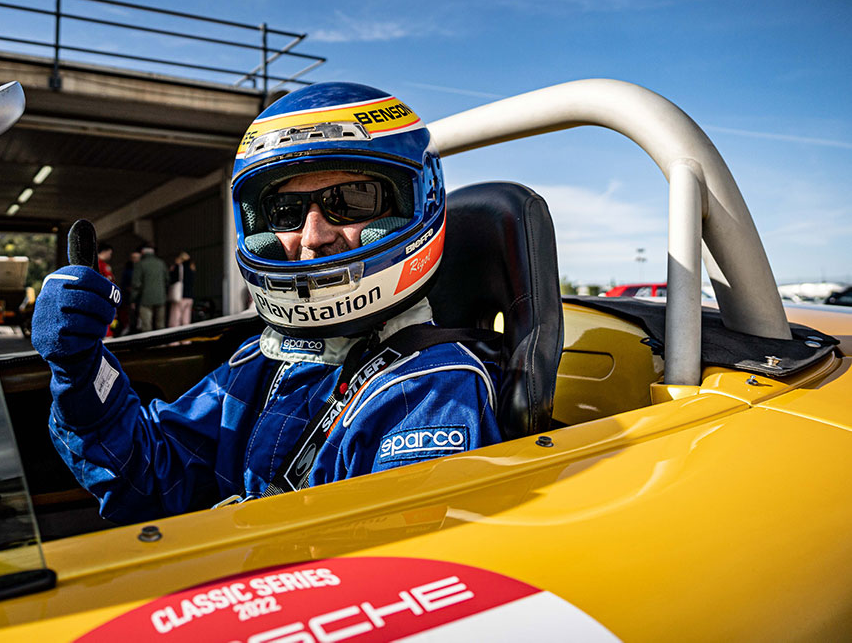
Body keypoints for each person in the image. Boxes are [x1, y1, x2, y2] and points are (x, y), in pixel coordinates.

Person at [32, 82, 501, 525]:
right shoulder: (263, 361)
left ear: (412, 205)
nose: (313, 237)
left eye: (350, 200)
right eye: (285, 212)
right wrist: (81, 370)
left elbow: (391, 571)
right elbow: (151, 474)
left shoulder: (429, 390)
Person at [131, 244, 167, 332]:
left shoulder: (140, 264)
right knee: (160, 324)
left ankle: (149, 341)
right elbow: (167, 279)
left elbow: (136, 284)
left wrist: (133, 299)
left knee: (146, 325)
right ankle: (162, 340)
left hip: (145, 299)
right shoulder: (161, 263)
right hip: (160, 297)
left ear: (142, 252)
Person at [167, 251, 195, 328]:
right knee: (186, 321)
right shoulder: (192, 268)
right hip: (190, 297)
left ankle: (175, 336)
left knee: (175, 320)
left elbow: (172, 279)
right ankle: (187, 336)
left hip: (180, 296)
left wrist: (172, 270)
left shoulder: (179, 267)